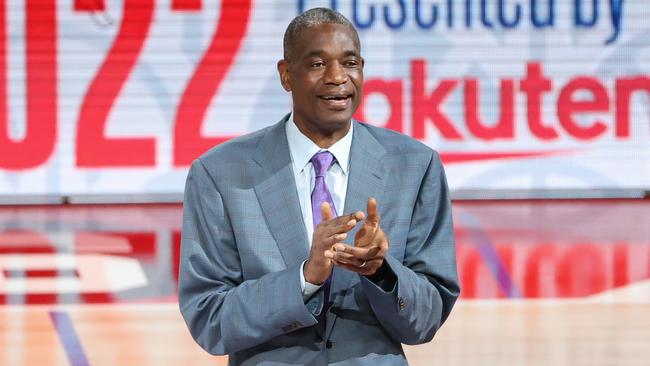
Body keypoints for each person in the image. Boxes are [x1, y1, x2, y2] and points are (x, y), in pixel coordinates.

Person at [178, 7, 459, 365]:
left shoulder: (415, 166)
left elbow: (427, 319)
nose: (338, 77)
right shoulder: (219, 174)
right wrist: (305, 278)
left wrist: (381, 272)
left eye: (350, 62)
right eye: (316, 64)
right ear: (285, 75)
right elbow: (210, 319)